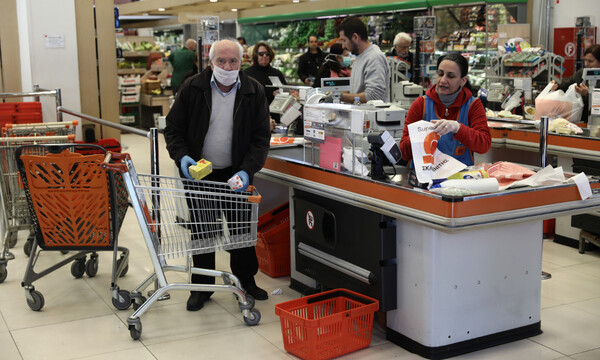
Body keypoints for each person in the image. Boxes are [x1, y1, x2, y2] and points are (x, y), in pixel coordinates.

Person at [164, 39, 271, 312]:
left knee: (241, 230)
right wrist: (182, 156)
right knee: (203, 230)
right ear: (210, 62)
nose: (227, 66)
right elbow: (173, 129)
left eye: (232, 61)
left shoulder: (253, 91)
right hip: (200, 173)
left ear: (241, 62)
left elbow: (260, 138)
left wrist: (248, 170)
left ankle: (247, 281)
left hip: (236, 173)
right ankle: (202, 286)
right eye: (221, 61)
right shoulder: (193, 87)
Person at [399, 53, 491, 166]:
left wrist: (458, 128)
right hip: (424, 178)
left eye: (450, 76)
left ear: (463, 80)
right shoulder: (421, 104)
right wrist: (421, 134)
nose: (443, 80)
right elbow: (404, 151)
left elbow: (484, 145)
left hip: (460, 178)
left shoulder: (473, 105)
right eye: (440, 74)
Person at [338, 16, 390, 103]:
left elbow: (373, 96)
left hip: (372, 115)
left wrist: (341, 97)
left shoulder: (374, 57)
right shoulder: (359, 56)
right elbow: (355, 89)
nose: (343, 46)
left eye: (344, 40)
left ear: (355, 37)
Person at [551, 44, 600, 123]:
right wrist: (555, 86)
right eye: (585, 60)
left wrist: (588, 94)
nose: (586, 64)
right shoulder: (581, 74)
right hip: (580, 121)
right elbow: (565, 85)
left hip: (596, 123)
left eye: (590, 61)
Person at [244, 42, 287, 106]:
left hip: (274, 112)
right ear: (256, 56)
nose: (264, 56)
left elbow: (285, 91)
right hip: (254, 112)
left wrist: (281, 94)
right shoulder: (247, 74)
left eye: (267, 54)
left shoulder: (277, 73)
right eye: (261, 54)